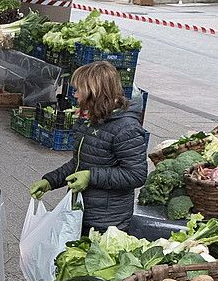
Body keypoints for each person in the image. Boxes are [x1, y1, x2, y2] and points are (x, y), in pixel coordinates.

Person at [30, 62, 148, 233]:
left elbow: (136, 175)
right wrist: (50, 181)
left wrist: (91, 176)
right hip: (81, 211)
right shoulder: (89, 120)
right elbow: (80, 163)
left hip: (107, 221)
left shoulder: (126, 129)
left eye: (79, 90)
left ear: (94, 93)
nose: (75, 95)